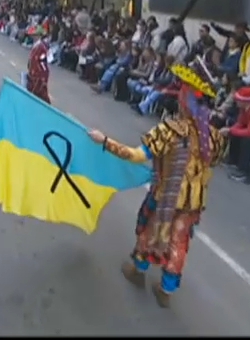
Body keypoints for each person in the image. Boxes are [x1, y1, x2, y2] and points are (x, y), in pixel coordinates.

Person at [87, 64, 227, 308]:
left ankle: (138, 271)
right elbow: (213, 161)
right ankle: (166, 290)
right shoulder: (215, 136)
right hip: (193, 202)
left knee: (149, 233)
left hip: (166, 196)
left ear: (184, 100)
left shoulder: (170, 129)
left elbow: (136, 155)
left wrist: (105, 141)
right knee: (179, 243)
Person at [26, 26, 51, 104]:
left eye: (35, 35)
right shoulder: (36, 45)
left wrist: (42, 75)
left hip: (39, 74)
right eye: (33, 35)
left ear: (39, 36)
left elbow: (43, 62)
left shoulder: (41, 47)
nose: (33, 37)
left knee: (40, 93)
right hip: (33, 73)